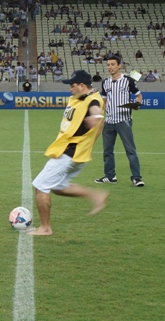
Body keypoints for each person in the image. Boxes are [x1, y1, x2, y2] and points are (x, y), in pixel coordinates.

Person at [29, 70, 108, 236]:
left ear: (81, 86)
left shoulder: (92, 99)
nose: (70, 88)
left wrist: (97, 116)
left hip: (70, 152)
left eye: (72, 85)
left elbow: (95, 110)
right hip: (73, 152)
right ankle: (95, 194)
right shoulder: (79, 97)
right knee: (58, 187)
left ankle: (45, 228)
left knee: (40, 186)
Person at [95, 55, 144, 187]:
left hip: (124, 121)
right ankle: (110, 176)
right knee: (107, 151)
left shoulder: (128, 81)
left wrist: (137, 104)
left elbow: (138, 95)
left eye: (112, 64)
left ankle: (137, 178)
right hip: (109, 121)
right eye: (108, 65)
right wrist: (100, 116)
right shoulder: (105, 82)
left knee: (130, 150)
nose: (109, 67)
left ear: (119, 66)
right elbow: (104, 102)